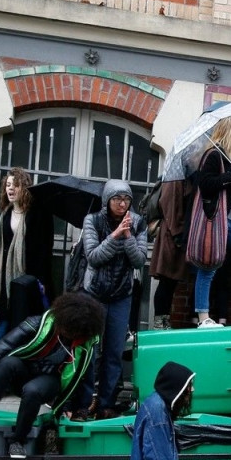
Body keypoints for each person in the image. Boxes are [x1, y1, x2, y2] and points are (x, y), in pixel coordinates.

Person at [0, 292, 104, 458]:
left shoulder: (84, 346)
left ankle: (18, 441)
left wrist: (75, 408)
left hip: (49, 381)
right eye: (66, 331)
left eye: (74, 334)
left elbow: (83, 377)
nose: (69, 336)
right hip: (23, 371)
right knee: (7, 362)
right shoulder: (36, 324)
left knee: (33, 390)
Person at [72, 180, 147, 420]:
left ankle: (106, 403)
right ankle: (83, 404)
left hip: (121, 294)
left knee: (114, 352)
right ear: (107, 200)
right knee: (89, 351)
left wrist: (128, 237)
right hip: (93, 293)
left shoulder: (138, 222)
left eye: (126, 199)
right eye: (117, 199)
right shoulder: (92, 220)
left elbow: (138, 261)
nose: (122, 204)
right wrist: (115, 235)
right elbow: (93, 257)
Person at [188, 116, 231, 329]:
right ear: (229, 133)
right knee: (208, 269)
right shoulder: (212, 155)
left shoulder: (228, 159)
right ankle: (203, 318)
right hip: (218, 222)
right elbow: (205, 183)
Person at [0, 167, 54, 345]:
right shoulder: (7, 213)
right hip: (6, 283)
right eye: (8, 185)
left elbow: (44, 250)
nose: (10, 189)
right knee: (5, 325)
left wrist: (41, 281)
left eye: (15, 185)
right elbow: (5, 241)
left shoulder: (38, 213)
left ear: (24, 187)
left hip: (28, 282)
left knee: (21, 330)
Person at [149, 178, 194, 330]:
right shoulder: (174, 179)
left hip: (174, 235)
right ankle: (159, 323)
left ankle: (163, 321)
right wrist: (178, 234)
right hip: (172, 236)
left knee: (170, 283)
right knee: (166, 282)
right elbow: (170, 209)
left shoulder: (181, 178)